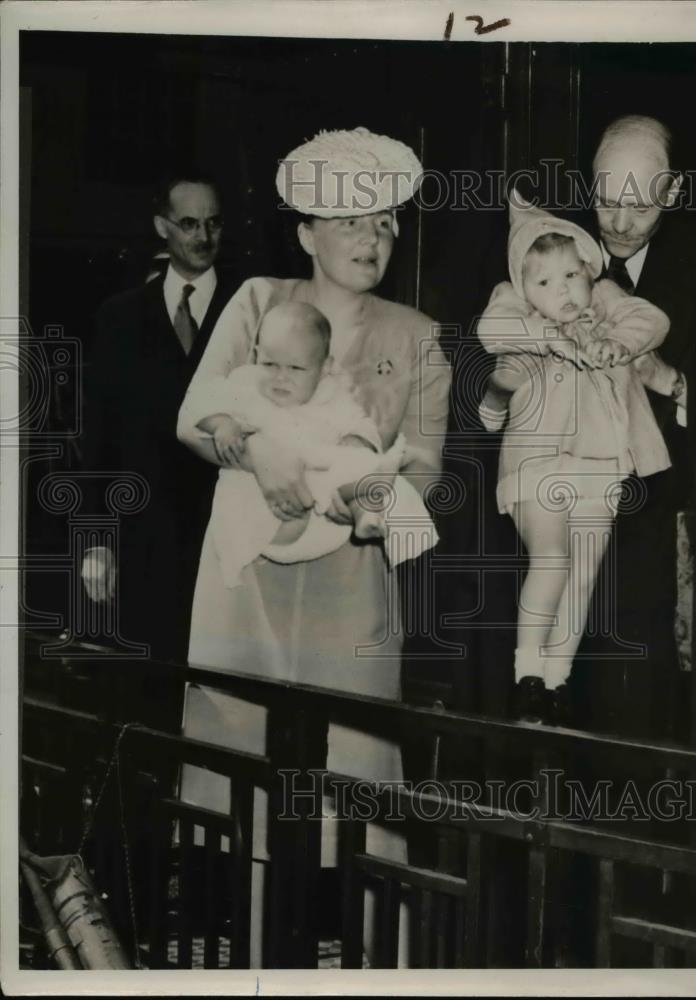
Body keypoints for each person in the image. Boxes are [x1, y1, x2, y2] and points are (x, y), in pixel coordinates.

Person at [176, 127, 451, 966]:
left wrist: (384, 510)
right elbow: (194, 415)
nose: (374, 240)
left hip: (350, 587)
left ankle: (383, 974)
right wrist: (259, 451)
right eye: (353, 222)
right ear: (306, 230)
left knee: (363, 794)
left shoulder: (416, 334)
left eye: (386, 224)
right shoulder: (257, 299)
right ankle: (254, 965)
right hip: (245, 579)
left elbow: (428, 464)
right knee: (243, 780)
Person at [481, 115, 692, 738]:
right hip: (543, 486)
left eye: (639, 205)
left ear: (673, 194)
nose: (620, 223)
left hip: (648, 534)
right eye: (605, 200)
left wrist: (670, 379)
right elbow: (484, 388)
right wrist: (503, 385)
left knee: (632, 724)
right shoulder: (543, 256)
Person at [79, 172, 238, 679]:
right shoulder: (119, 317)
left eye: (213, 223)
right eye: (188, 223)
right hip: (142, 537)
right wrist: (97, 540)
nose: (202, 236)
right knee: (144, 687)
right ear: (161, 227)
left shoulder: (251, 309)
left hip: (228, 535)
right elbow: (99, 436)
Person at [191, 300, 437, 586]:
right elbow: (201, 403)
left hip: (324, 521)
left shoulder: (332, 394)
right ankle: (371, 485)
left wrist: (357, 442)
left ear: (325, 368)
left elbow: (361, 424)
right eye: (270, 364)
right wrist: (222, 423)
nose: (280, 377)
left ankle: (366, 510)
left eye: (296, 368)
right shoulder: (246, 385)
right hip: (263, 513)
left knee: (348, 463)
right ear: (256, 356)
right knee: (327, 472)